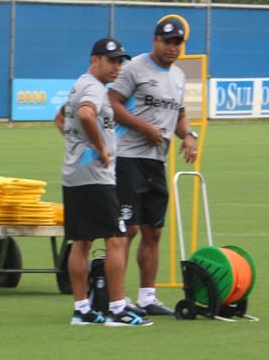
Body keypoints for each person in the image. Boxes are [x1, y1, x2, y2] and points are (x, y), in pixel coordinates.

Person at [55, 37, 153, 327]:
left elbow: (59, 118)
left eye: (120, 61)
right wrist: (98, 148)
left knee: (82, 241)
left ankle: (82, 309)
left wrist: (77, 146)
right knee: (117, 237)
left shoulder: (80, 84)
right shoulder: (93, 88)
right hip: (95, 177)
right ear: (94, 59)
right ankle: (116, 308)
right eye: (112, 60)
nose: (117, 66)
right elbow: (85, 113)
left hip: (74, 175)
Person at [108, 17, 199, 316]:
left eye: (178, 43)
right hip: (129, 158)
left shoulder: (179, 76)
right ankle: (117, 301)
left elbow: (180, 114)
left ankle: (147, 297)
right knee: (128, 229)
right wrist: (142, 127)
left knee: (153, 231)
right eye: (168, 41)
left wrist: (187, 136)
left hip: (156, 161)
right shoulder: (135, 67)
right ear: (155, 40)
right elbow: (112, 102)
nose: (173, 48)